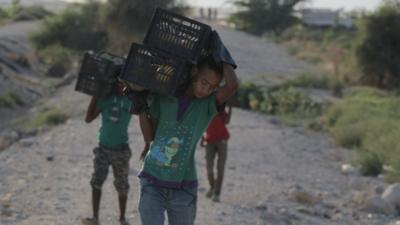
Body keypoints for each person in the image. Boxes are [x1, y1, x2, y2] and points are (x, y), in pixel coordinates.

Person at [137, 51, 238, 225]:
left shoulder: (206, 106)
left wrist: (223, 58)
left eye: (212, 87)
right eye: (204, 82)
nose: (205, 90)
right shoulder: (164, 97)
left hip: (183, 188)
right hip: (152, 180)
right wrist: (140, 107)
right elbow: (149, 136)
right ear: (194, 72)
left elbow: (232, 86)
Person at [82, 81, 133, 225]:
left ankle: (122, 218)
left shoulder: (129, 102)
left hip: (121, 149)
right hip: (103, 149)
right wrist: (95, 96)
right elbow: (88, 119)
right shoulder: (105, 100)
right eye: (118, 83)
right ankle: (95, 218)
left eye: (124, 84)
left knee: (122, 185)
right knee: (96, 181)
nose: (121, 86)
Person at [200, 104, 231, 202]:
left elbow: (227, 121)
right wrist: (202, 138)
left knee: (220, 168)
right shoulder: (205, 111)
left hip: (222, 141)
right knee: (209, 168)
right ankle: (212, 187)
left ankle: (217, 193)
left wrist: (230, 109)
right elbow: (201, 126)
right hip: (209, 141)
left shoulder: (221, 110)